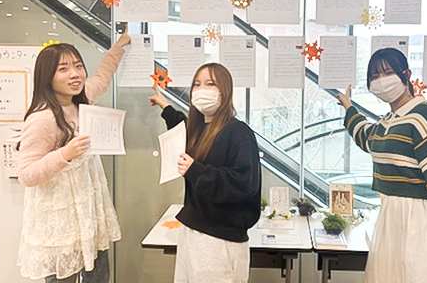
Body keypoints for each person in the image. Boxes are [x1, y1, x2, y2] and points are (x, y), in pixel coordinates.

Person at [335, 48, 427, 283]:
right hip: (392, 218)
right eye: (374, 76)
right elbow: (367, 137)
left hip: (420, 221)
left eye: (387, 73)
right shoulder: (389, 122)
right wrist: (349, 108)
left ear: (406, 74)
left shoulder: (424, 117)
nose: (381, 81)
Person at [17, 30, 131, 282]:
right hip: (61, 223)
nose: (75, 74)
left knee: (99, 276)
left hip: (89, 215)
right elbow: (26, 174)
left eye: (78, 66)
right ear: (47, 76)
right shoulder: (43, 117)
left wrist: (119, 47)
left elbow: (102, 77)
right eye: (63, 69)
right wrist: (64, 154)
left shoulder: (81, 102)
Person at [148, 63, 261, 283]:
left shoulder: (238, 132)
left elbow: (243, 184)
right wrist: (165, 107)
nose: (201, 90)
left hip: (219, 241)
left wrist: (196, 171)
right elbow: (184, 130)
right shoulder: (201, 130)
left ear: (224, 90)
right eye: (196, 84)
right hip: (192, 233)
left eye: (210, 84)